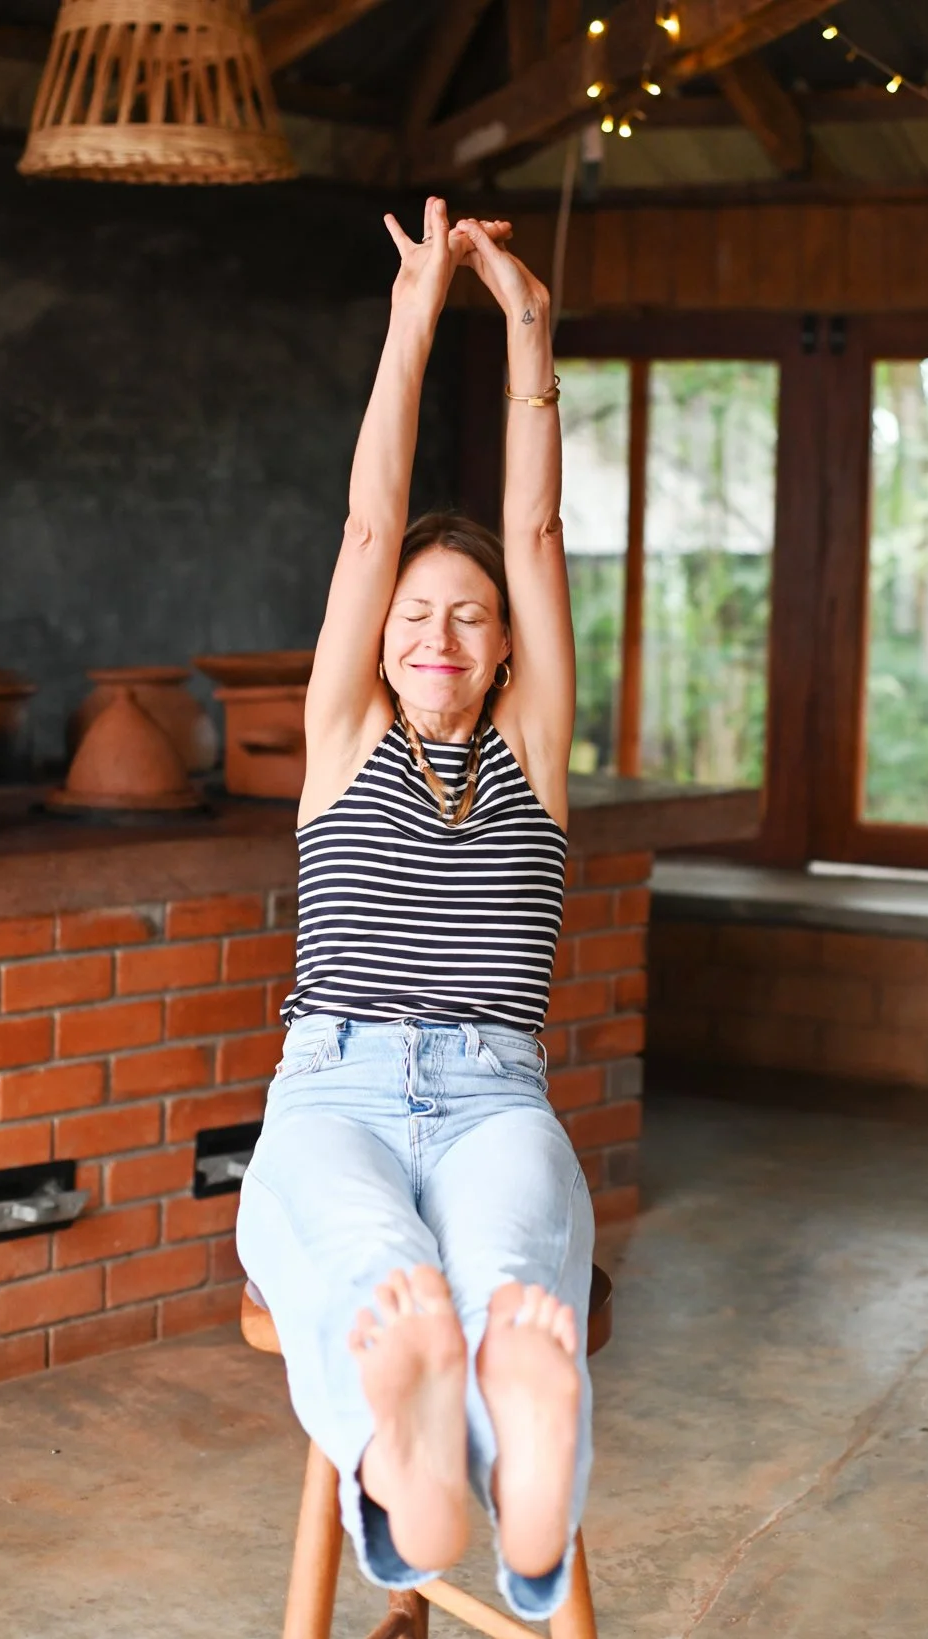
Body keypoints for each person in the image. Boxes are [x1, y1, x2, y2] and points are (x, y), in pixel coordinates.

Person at [235, 195, 594, 1623]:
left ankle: (455, 1447)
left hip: (496, 1094)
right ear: (380, 638)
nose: (437, 631)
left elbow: (539, 523)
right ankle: (437, 1456)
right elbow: (372, 514)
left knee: (510, 1277)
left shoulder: (534, 753)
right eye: (414, 612)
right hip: (337, 1088)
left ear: (506, 648)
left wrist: (527, 324)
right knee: (385, 1278)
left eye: (472, 613)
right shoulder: (342, 737)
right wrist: (409, 320)